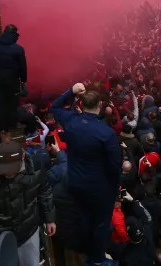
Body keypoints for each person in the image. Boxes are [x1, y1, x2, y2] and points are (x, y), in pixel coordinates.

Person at [51, 83, 122, 266]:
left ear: (81, 104)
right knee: (100, 224)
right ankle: (97, 259)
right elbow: (115, 167)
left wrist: (71, 90)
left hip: (76, 183)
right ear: (100, 104)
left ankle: (89, 253)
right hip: (99, 188)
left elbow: (55, 107)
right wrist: (114, 191)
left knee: (84, 218)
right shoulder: (106, 133)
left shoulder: (71, 121)